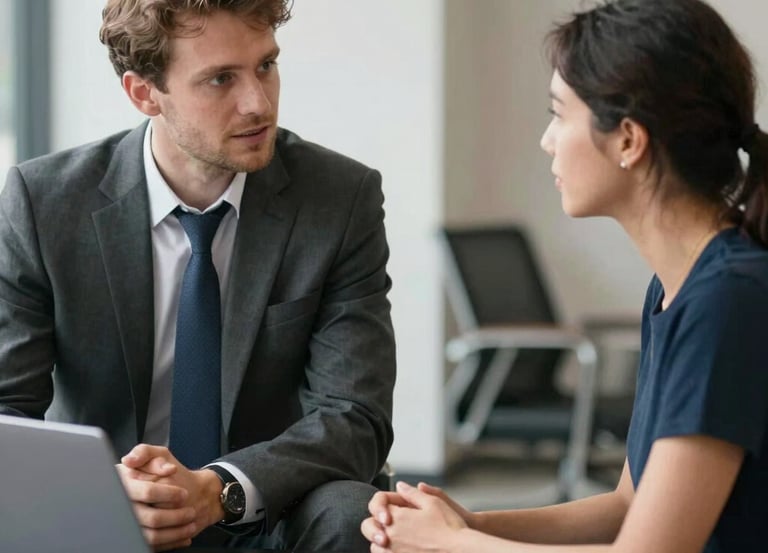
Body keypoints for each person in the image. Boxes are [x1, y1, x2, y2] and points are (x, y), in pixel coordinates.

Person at [361, 0, 768, 552]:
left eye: (558, 114)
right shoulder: (677, 286)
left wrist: (451, 544)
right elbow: (627, 506)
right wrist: (470, 524)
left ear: (628, 140)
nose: (546, 140)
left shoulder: (729, 299)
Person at [0, 0, 395, 551]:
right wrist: (100, 492)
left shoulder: (338, 199)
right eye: (220, 79)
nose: (258, 103)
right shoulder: (44, 203)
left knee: (352, 514)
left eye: (266, 65)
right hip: (110, 508)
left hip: (267, 510)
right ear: (144, 93)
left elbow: (355, 414)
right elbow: (7, 411)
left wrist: (218, 490)